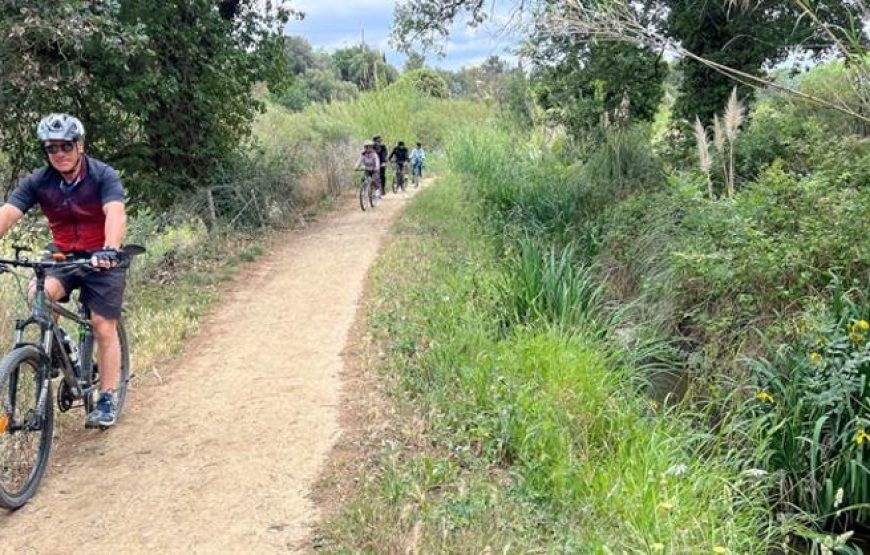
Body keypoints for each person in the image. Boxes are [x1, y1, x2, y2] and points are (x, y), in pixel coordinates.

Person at [0, 113, 128, 428]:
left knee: (101, 325)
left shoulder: (102, 175)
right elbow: (8, 213)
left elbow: (115, 212)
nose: (59, 154)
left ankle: (107, 396)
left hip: (101, 257)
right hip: (63, 255)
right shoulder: (39, 181)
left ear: (79, 145)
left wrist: (110, 249)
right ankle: (61, 346)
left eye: (65, 146)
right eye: (51, 148)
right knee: (39, 295)